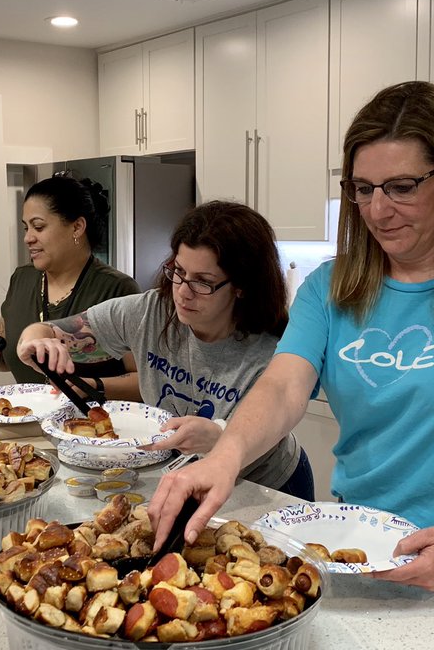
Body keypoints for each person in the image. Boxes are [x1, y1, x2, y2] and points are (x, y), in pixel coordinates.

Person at [150, 82, 434, 589]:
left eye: (402, 187)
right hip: (354, 539)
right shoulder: (331, 287)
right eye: (363, 189)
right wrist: (226, 457)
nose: (378, 210)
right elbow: (283, 387)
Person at [16, 201, 314, 500]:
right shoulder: (150, 311)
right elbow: (51, 330)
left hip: (263, 485)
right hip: (185, 475)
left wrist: (220, 435)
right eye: (179, 272)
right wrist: (36, 340)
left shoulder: (275, 349)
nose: (183, 291)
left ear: (242, 287)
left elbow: (270, 420)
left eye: (203, 282)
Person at [0, 174, 139, 392]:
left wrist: (90, 387)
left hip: (92, 423)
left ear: (77, 227)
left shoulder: (117, 288)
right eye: (26, 228)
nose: (28, 238)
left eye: (39, 227)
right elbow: (9, 359)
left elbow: (143, 379)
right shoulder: (22, 279)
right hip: (29, 419)